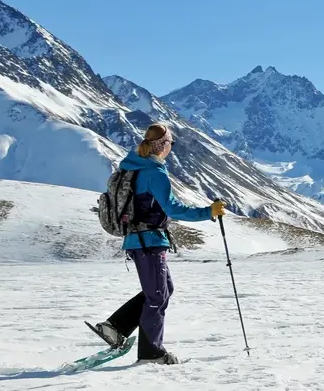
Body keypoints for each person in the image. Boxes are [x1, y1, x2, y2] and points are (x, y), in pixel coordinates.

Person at [87, 123, 226, 364]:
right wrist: (209, 212)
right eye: (171, 144)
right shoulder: (154, 173)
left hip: (137, 240)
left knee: (162, 290)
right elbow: (174, 209)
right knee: (157, 296)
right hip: (149, 241)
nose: (172, 148)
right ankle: (151, 353)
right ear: (164, 146)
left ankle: (115, 327)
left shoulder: (133, 167)